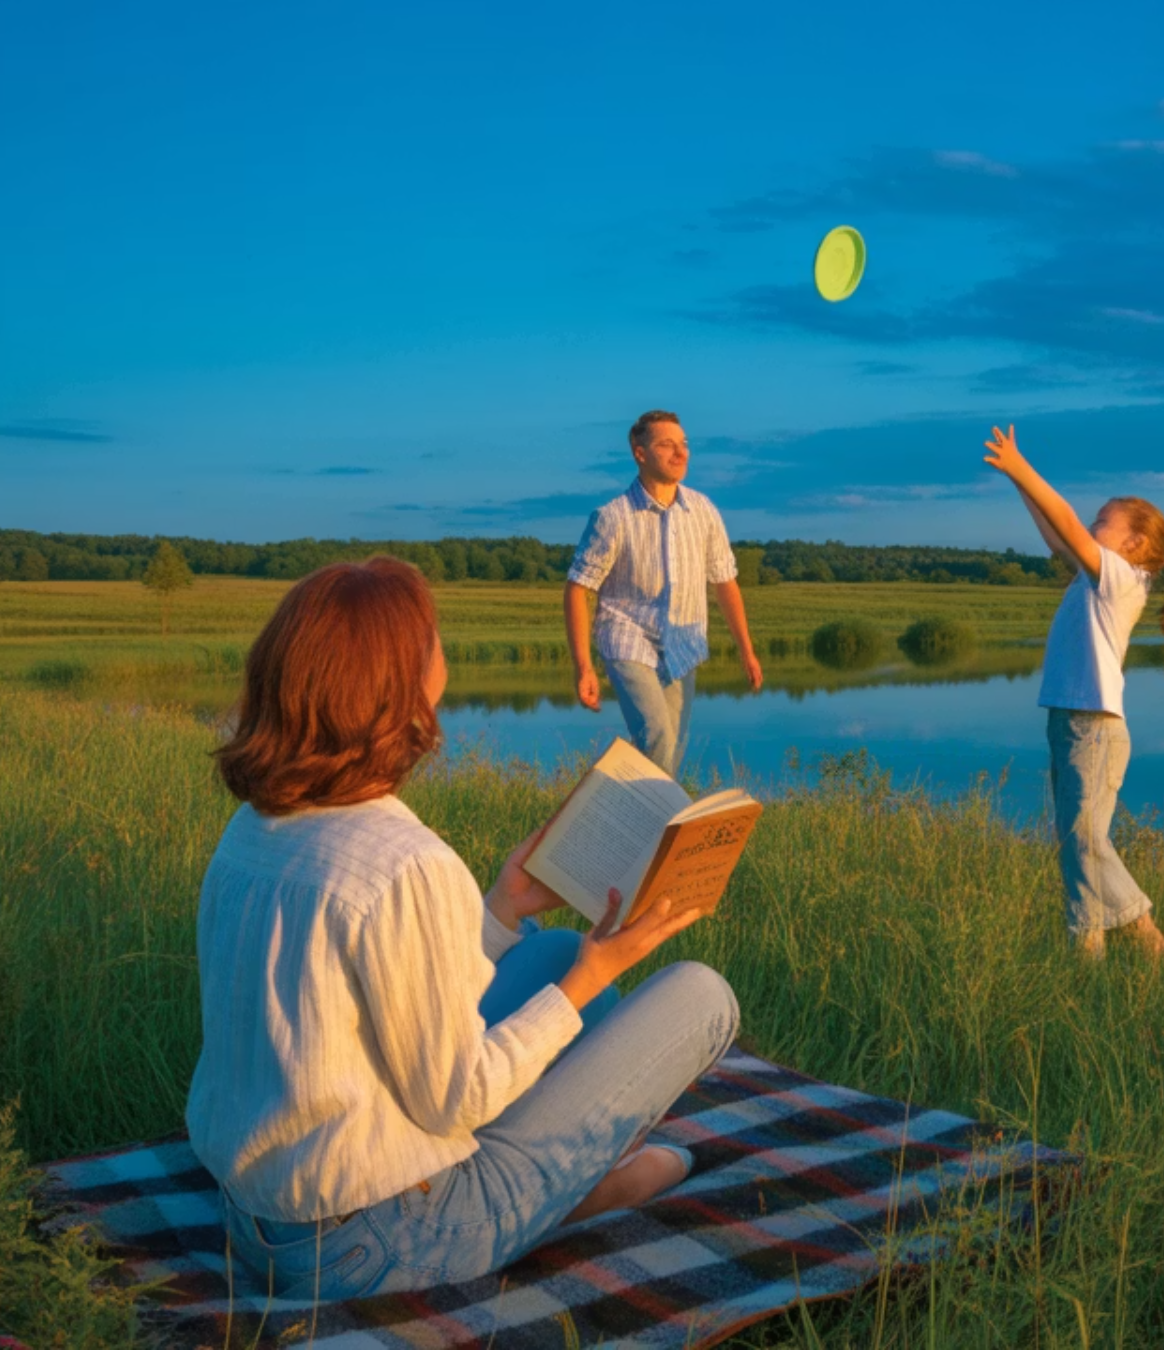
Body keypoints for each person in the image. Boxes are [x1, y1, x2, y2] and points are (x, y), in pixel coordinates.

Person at [187, 557, 739, 1300]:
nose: (442, 656)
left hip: (255, 1220)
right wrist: (593, 979)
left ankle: (567, 1169)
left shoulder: (254, 829)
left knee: (548, 948)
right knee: (701, 995)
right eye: (434, 642)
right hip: (381, 1240)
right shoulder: (405, 861)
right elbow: (458, 1099)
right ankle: (580, 1189)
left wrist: (500, 910)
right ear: (401, 686)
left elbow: (365, 997)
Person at [982, 424, 1164, 961]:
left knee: (1086, 845)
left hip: (1092, 726)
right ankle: (1087, 962)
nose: (1091, 524)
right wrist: (1020, 484)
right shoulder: (1095, 577)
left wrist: (1021, 467)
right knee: (1075, 851)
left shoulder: (1122, 577)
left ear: (1134, 544)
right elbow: (1060, 537)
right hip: (1071, 721)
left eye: (1103, 520)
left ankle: (1153, 944)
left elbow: (1068, 530)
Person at [564, 410, 762, 775]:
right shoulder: (613, 517)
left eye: (684, 444)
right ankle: (636, 820)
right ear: (640, 453)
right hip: (626, 637)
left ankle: (634, 820)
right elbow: (577, 589)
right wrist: (584, 667)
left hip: (683, 643)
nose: (680, 453)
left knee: (670, 755)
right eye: (666, 445)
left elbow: (725, 581)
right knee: (657, 736)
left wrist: (746, 650)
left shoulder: (703, 511)